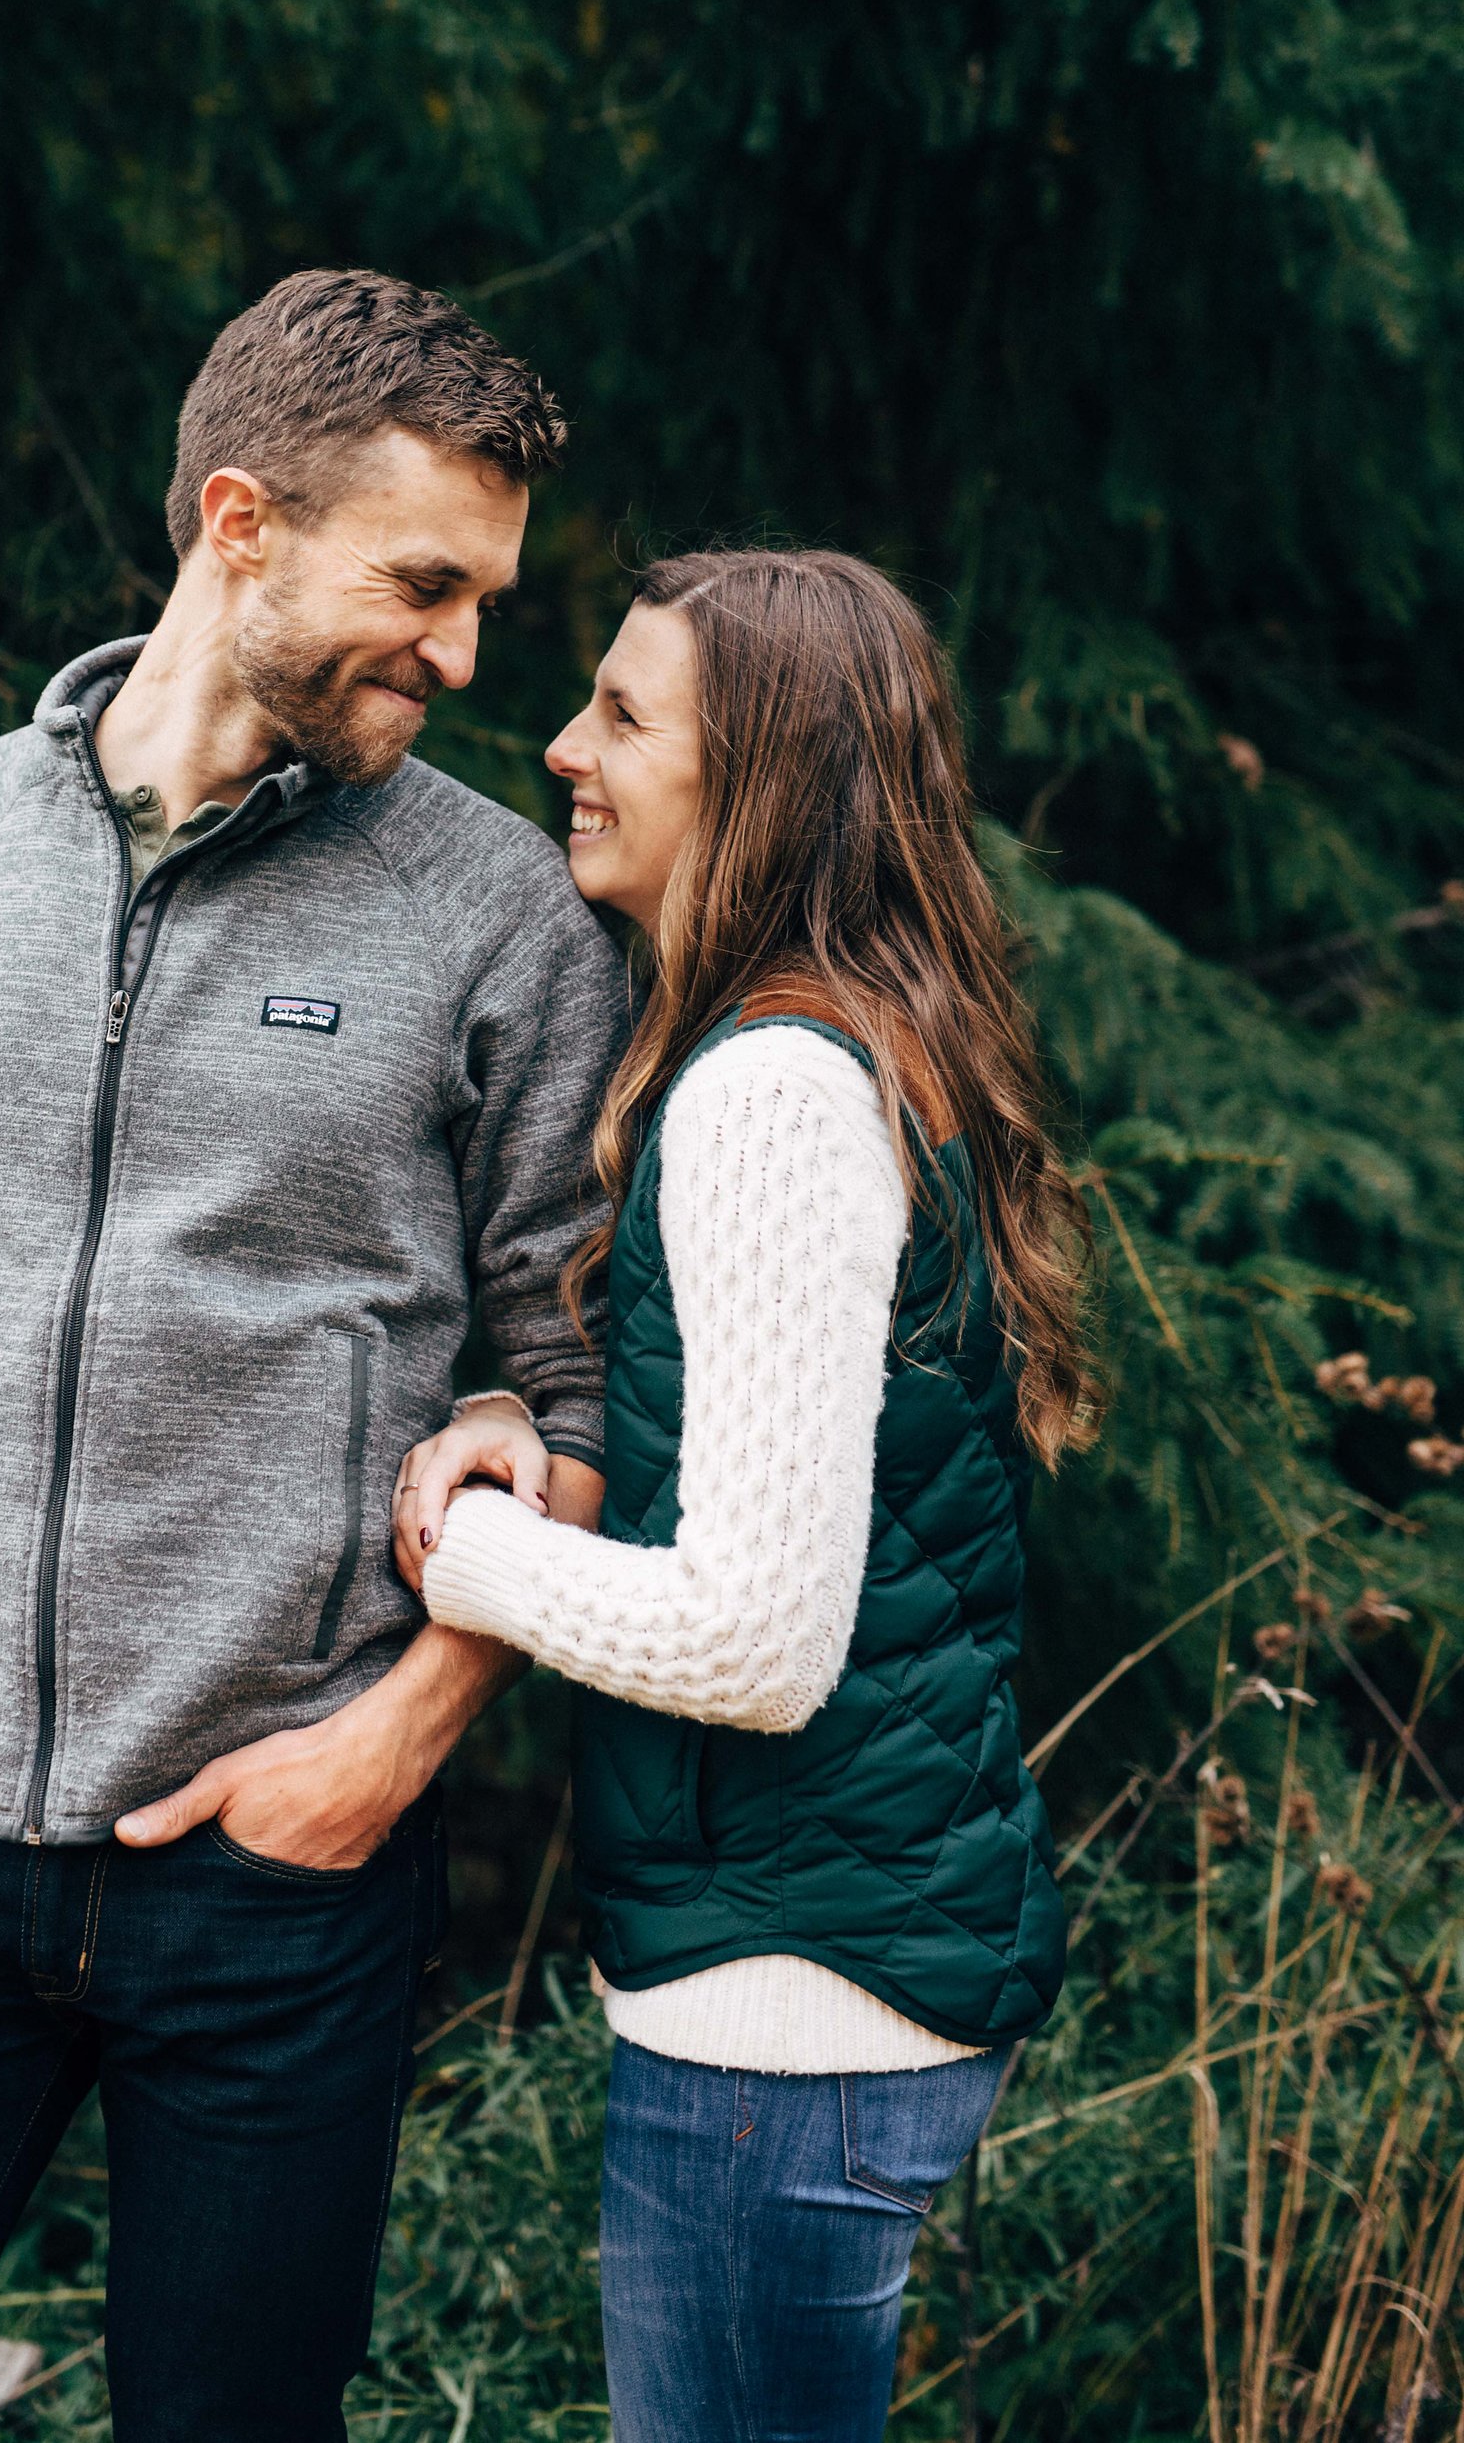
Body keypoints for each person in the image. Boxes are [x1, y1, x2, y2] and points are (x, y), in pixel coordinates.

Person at [0, 269, 627, 2443]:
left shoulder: (497, 918)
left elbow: (575, 1381)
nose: (466, 657)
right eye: (426, 583)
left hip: (282, 1868)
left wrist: (393, 1743)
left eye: (487, 600)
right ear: (238, 519)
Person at [393, 547, 1094, 2443]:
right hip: (832, 1967)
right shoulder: (831, 1047)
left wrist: (460, 1543)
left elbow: (757, 1637)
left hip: (789, 2006)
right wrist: (539, 1471)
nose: (561, 747)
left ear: (763, 773)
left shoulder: (768, 1095)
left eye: (625, 715)